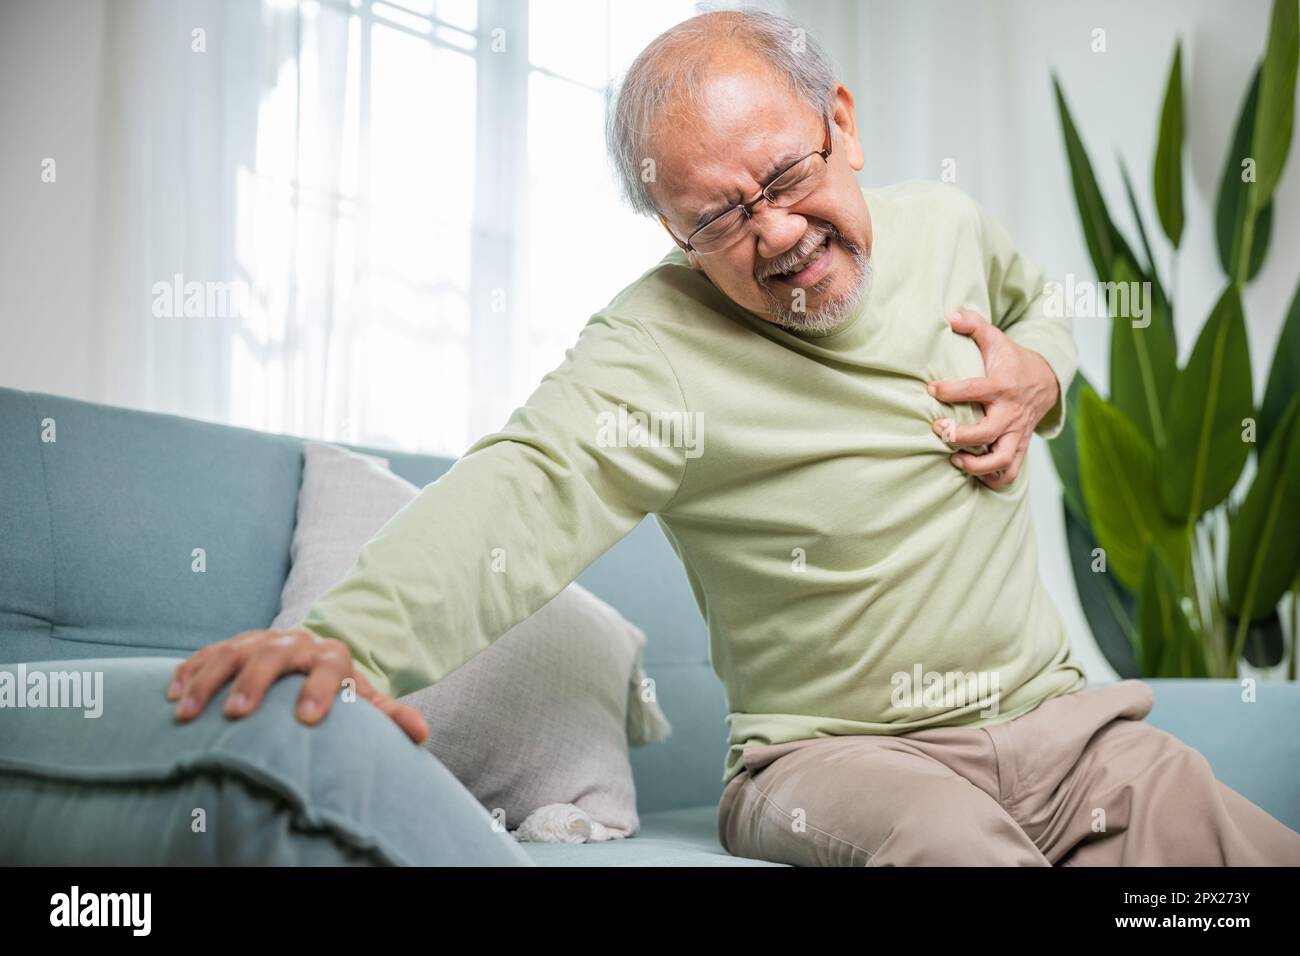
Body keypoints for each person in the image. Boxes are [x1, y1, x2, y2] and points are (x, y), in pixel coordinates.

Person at [166, 9, 1300, 865]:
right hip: (832, 759)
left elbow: (1033, 301)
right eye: (716, 217)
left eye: (785, 174)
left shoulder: (946, 228)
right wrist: (347, 642)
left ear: (841, 124)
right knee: (959, 850)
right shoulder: (656, 343)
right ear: (671, 230)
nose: (776, 233)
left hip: (1066, 729)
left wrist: (1041, 372)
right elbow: (526, 485)